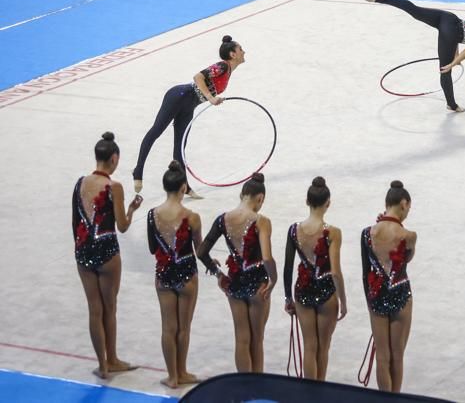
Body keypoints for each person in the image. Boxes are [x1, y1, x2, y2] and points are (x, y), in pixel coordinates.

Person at [131, 35, 245, 197]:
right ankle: (138, 170)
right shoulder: (223, 66)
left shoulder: (228, 71)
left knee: (180, 146)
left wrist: (212, 98)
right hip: (179, 96)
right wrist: (211, 98)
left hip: (189, 106)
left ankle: (183, 186)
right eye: (241, 49)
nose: (244, 52)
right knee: (156, 131)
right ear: (233, 54)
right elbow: (198, 77)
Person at [74, 131, 143, 380]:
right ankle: (112, 359)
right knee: (109, 307)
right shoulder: (114, 187)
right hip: (106, 251)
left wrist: (81, 249)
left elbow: (75, 221)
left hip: (83, 250)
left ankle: (102, 365)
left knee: (94, 310)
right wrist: (132, 210)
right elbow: (122, 226)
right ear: (114, 159)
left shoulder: (80, 183)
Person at [364, 0, 465, 112]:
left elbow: (464, 31)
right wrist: (453, 63)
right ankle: (451, 105)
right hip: (450, 34)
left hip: (447, 18)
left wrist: (455, 55)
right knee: (445, 71)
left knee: (416, 10)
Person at [197, 173, 275, 374]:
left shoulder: (223, 220)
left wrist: (218, 273)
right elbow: (267, 258)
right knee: (257, 339)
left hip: (235, 284)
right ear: (260, 198)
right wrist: (273, 281)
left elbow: (201, 252)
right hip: (258, 285)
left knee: (241, 339)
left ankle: (244, 385)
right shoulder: (261, 221)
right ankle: (257, 384)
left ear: (241, 195)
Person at [282, 176, 346, 381]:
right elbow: (335, 271)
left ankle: (310, 393)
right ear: (328, 203)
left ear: (307, 201)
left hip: (303, 291)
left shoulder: (294, 230)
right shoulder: (333, 232)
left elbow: (288, 267)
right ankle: (320, 391)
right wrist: (343, 301)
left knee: (310, 346)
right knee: (323, 347)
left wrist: (287, 298)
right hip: (326, 292)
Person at [146, 160, 202, 389]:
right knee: (183, 328)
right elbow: (199, 250)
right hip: (187, 275)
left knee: (168, 328)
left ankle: (172, 377)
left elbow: (153, 248)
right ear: (183, 188)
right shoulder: (192, 217)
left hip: (164, 275)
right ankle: (182, 371)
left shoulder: (152, 215)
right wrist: (214, 265)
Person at [362, 180, 417, 392]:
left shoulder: (367, 234)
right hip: (401, 294)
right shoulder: (409, 236)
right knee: (397, 356)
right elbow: (405, 260)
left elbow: (365, 272)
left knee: (382, 357)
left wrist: (370, 301)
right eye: (408, 208)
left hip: (376, 295)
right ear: (403, 203)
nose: (407, 213)